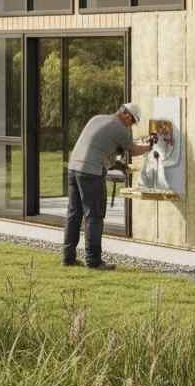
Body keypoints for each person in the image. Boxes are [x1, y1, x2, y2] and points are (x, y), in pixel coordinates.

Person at [62, 103, 153, 270]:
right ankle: (94, 261)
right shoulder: (120, 128)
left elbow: (99, 150)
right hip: (91, 173)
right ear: (126, 114)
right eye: (132, 121)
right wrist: (151, 145)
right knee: (94, 216)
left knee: (74, 214)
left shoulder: (97, 119)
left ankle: (68, 258)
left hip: (74, 169)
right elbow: (132, 149)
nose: (131, 125)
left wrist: (119, 165)